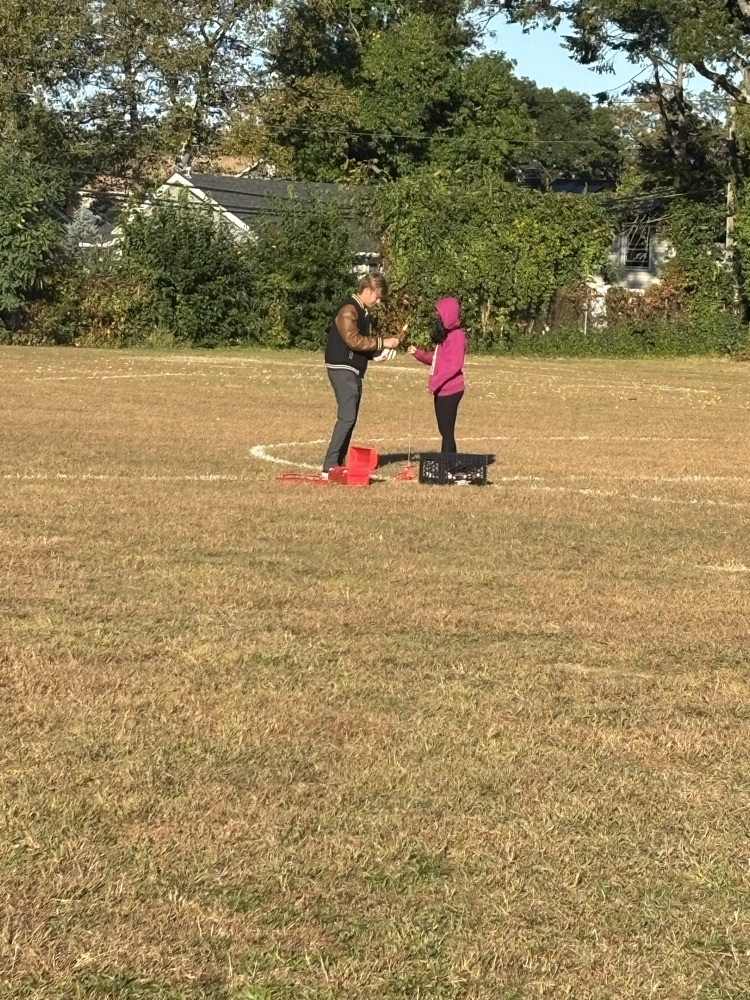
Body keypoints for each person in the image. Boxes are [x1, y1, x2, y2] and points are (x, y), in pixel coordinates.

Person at [322, 272, 400, 476]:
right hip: (342, 368)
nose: (379, 301)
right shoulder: (350, 309)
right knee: (347, 416)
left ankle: (337, 462)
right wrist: (384, 342)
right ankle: (330, 464)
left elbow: (360, 346)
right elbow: (353, 340)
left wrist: (374, 355)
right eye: (378, 296)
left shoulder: (363, 311)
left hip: (352, 368)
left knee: (350, 417)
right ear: (367, 291)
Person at [407, 297, 467, 454]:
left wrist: (434, 383)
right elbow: (437, 360)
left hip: (451, 390)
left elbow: (453, 366)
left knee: (447, 432)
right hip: (442, 390)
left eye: (438, 315)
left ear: (447, 315)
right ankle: (449, 463)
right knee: (444, 430)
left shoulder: (457, 336)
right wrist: (418, 354)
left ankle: (448, 466)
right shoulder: (445, 336)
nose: (436, 318)